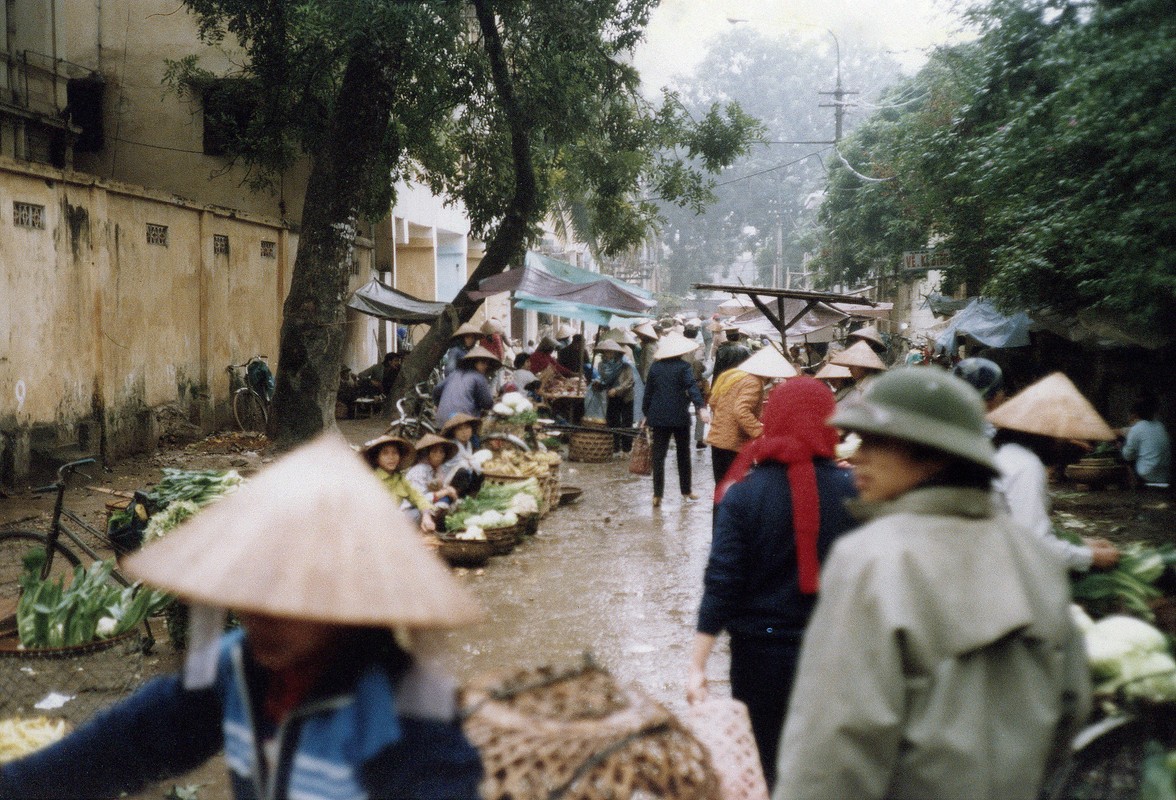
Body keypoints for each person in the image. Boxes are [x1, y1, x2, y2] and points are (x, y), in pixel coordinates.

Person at [0, 435, 484, 799]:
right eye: (253, 587)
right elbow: (127, 744)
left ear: (346, 603)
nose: (257, 616)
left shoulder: (409, 717)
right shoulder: (237, 670)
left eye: (287, 599)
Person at [773, 367, 1091, 800]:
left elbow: (835, 741)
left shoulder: (870, 557)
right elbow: (1072, 705)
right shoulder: (1033, 555)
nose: (857, 455)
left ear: (933, 456)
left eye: (875, 441)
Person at [688, 378, 856, 790]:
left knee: (765, 767)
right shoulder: (858, 491)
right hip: (837, 654)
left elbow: (722, 581)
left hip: (759, 657)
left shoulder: (743, 494)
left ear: (770, 419)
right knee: (827, 770)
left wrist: (696, 665)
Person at [975, 367, 1121, 569]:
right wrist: (1091, 557)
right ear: (1048, 435)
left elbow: (1022, 527)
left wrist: (1079, 544)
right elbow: (1035, 547)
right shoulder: (1026, 465)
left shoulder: (1006, 453)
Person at [705, 346, 795, 486]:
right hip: (733, 443)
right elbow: (741, 410)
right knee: (737, 488)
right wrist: (759, 432)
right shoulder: (754, 382)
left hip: (718, 439)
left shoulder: (734, 376)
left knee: (722, 488)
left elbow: (713, 402)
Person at [642, 333, 710, 507]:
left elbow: (648, 393)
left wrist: (646, 414)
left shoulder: (655, 368)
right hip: (679, 416)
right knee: (683, 454)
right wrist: (701, 407)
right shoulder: (684, 367)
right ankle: (686, 491)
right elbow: (692, 387)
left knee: (658, 456)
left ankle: (657, 495)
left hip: (658, 417)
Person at [361, 434, 436, 531]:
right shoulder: (371, 479)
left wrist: (426, 516)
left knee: (419, 512)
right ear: (377, 458)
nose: (391, 457)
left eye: (395, 453)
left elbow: (418, 497)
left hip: (393, 523)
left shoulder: (400, 478)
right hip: (372, 527)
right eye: (385, 453)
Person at [434, 344, 499, 427]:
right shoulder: (479, 377)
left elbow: (436, 390)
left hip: (441, 421)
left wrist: (438, 405)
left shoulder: (454, 374)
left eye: (487, 363)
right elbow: (487, 403)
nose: (486, 366)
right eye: (483, 363)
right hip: (461, 423)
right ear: (474, 363)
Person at [592, 340, 635, 454]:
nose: (608, 354)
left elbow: (629, 382)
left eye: (610, 352)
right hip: (612, 397)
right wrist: (599, 384)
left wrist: (617, 389)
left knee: (627, 423)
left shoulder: (626, 366)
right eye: (606, 352)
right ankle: (615, 446)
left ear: (616, 353)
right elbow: (604, 381)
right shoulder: (602, 366)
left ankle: (626, 448)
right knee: (613, 421)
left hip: (626, 397)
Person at [1120, 395, 1171, 489]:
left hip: (1146, 476)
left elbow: (1127, 456)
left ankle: (1132, 488)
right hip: (1164, 476)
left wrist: (1120, 446)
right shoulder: (1160, 425)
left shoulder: (1137, 428)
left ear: (1134, 414)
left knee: (1122, 454)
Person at [405, 433, 461, 508]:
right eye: (434, 451)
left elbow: (439, 488)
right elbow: (419, 499)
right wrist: (445, 492)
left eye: (441, 452)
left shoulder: (437, 469)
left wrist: (448, 490)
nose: (438, 455)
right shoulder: (419, 470)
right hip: (412, 509)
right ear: (426, 454)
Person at [441, 412, 487, 498]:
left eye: (467, 428)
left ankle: (471, 496)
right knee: (463, 472)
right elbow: (458, 466)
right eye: (460, 429)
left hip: (463, 477)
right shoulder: (452, 446)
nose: (464, 432)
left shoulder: (468, 444)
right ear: (454, 432)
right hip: (448, 480)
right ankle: (456, 498)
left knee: (479, 473)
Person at [828, 339, 887, 403]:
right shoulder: (860, 384)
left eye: (852, 366)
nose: (849, 368)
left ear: (863, 367)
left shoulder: (869, 385)